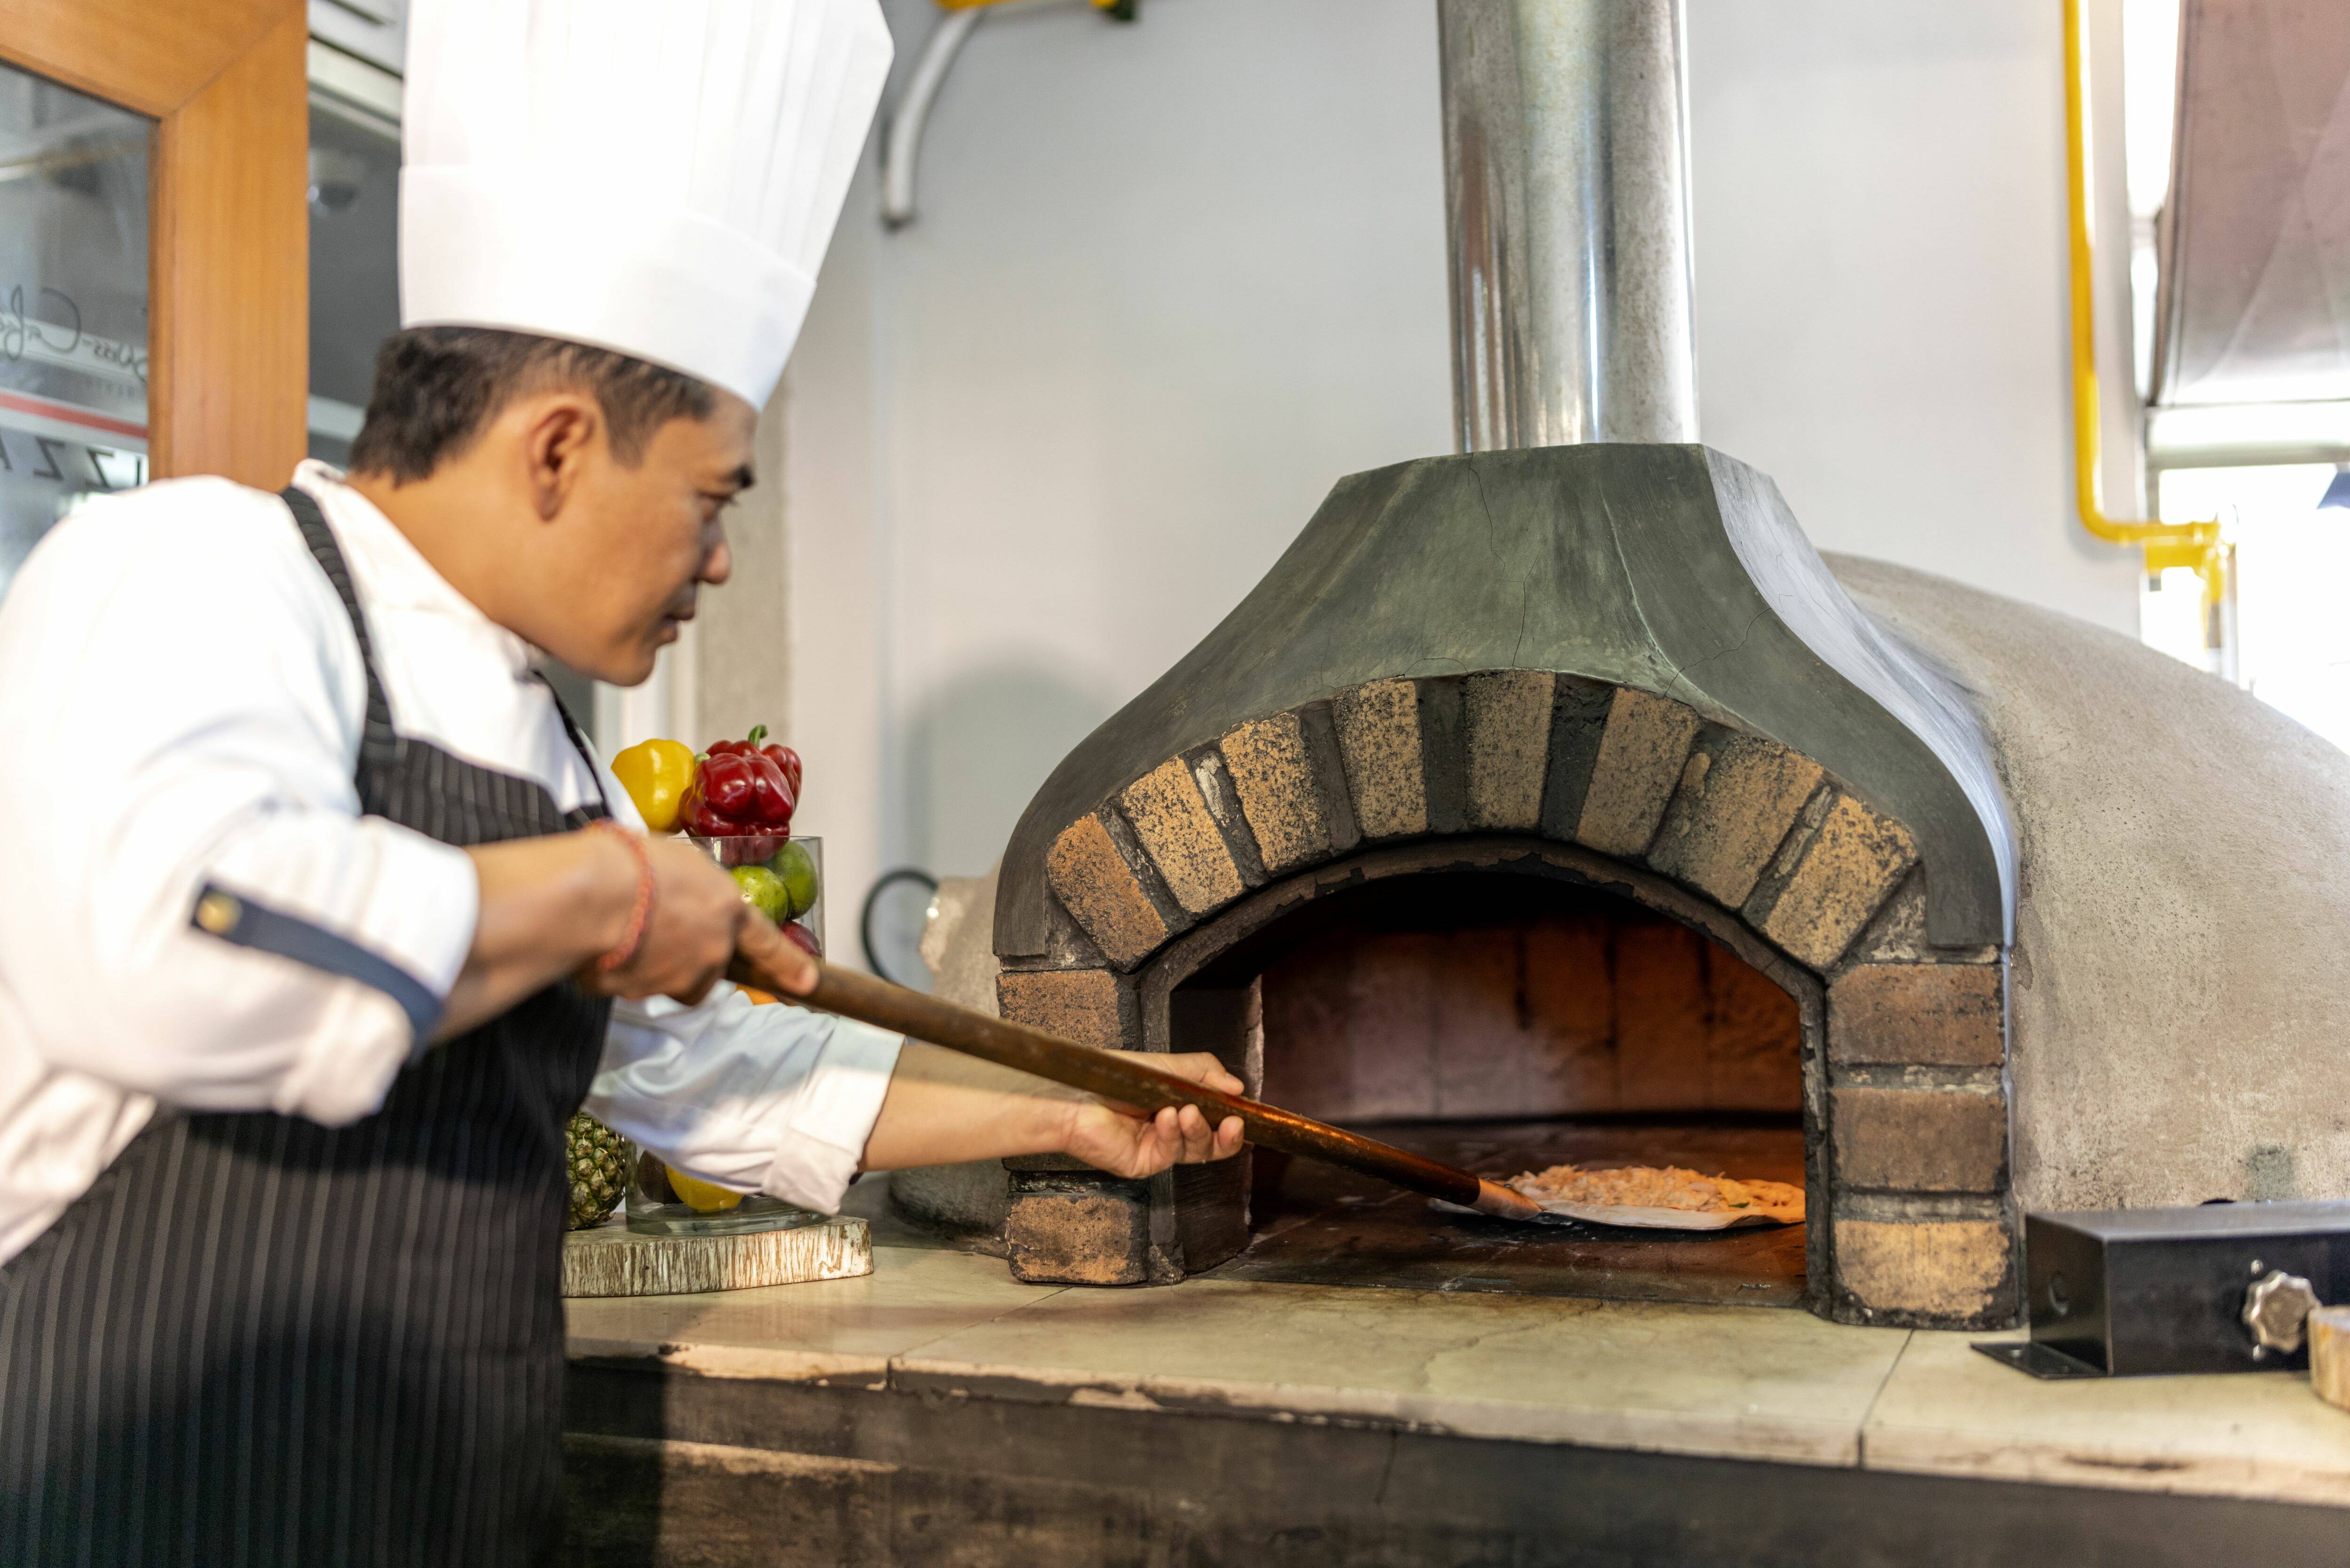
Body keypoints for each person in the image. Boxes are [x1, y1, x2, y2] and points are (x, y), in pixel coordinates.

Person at [0, 2, 1243, 1562]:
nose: (720, 558)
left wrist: (1075, 1111)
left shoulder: (539, 740)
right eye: (712, 498)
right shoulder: (191, 570)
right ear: (558, 448)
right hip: (153, 1510)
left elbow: (728, 1079)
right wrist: (602, 890)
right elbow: (173, 944)